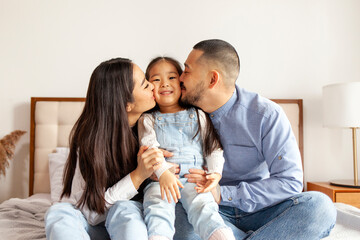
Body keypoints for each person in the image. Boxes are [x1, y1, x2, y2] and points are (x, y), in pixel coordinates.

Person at [173, 39, 337, 240]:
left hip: (262, 210)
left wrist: (222, 193)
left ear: (212, 80)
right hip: (206, 210)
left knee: (320, 207)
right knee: (177, 218)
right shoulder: (176, 115)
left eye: (187, 71)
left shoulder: (266, 114)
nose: (180, 78)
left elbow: (290, 181)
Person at [44, 57, 170, 240]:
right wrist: (137, 175)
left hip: (127, 221)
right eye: (144, 85)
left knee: (125, 209)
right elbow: (91, 214)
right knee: (58, 212)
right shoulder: (89, 141)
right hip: (91, 225)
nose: (152, 86)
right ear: (127, 104)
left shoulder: (157, 126)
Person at [138, 56, 235, 240]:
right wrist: (163, 173)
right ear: (150, 88)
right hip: (162, 180)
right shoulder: (147, 119)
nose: (164, 84)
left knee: (204, 207)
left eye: (171, 77)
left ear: (181, 81)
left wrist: (215, 173)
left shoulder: (198, 114)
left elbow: (213, 148)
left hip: (193, 177)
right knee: (157, 207)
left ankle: (220, 235)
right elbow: (150, 150)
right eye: (156, 80)